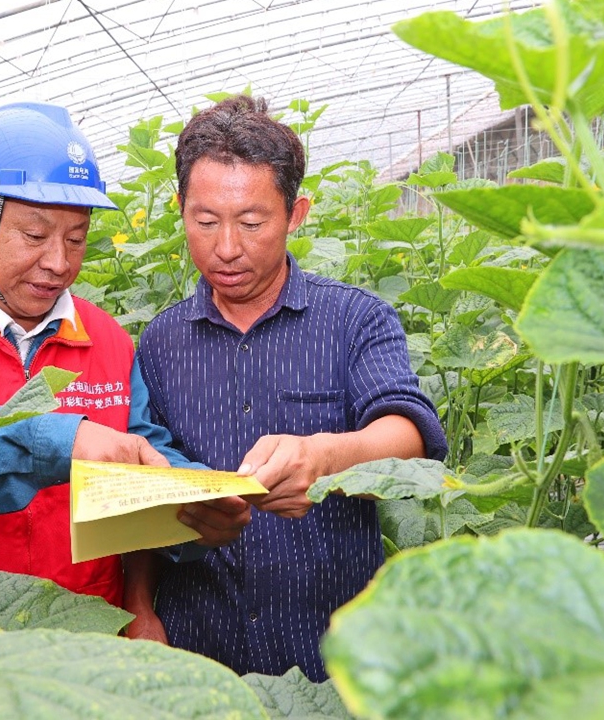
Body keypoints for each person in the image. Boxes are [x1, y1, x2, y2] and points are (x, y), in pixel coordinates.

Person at [0, 102, 249, 608]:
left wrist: (195, 507)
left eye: (76, 239)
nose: (58, 262)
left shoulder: (106, 338)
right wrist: (57, 442)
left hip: (86, 633)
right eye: (34, 236)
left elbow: (143, 452)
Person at [124, 95, 448, 680]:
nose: (227, 247)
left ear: (296, 214)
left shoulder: (356, 320)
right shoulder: (160, 342)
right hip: (200, 653)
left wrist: (326, 457)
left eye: (252, 223)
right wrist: (140, 607)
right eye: (204, 221)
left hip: (333, 654)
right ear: (180, 208)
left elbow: (411, 440)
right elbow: (146, 490)